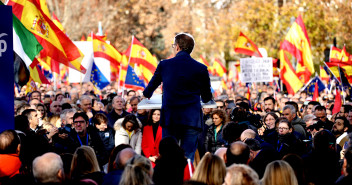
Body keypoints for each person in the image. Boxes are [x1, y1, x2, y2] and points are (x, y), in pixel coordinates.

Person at [143, 33, 212, 161]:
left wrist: (147, 94)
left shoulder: (164, 65)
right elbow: (207, 97)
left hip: (171, 119)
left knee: (169, 157)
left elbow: (149, 90)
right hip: (192, 121)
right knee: (188, 158)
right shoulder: (201, 68)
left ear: (178, 47)